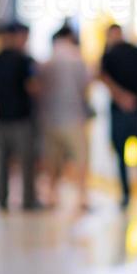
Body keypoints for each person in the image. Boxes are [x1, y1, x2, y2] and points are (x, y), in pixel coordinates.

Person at [0, 22, 40, 212]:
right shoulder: (24, 61)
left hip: (1, 117)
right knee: (26, 162)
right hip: (21, 118)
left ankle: (2, 200)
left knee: (2, 162)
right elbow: (32, 87)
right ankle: (28, 200)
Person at [39, 24, 92, 212]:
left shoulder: (47, 61)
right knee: (80, 158)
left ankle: (51, 194)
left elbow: (38, 88)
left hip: (50, 117)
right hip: (74, 117)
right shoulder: (77, 59)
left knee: (52, 159)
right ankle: (82, 196)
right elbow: (85, 88)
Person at [99, 23, 137, 208]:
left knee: (127, 154)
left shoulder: (110, 55)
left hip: (125, 109)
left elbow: (102, 77)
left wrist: (121, 97)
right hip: (134, 106)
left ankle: (129, 194)